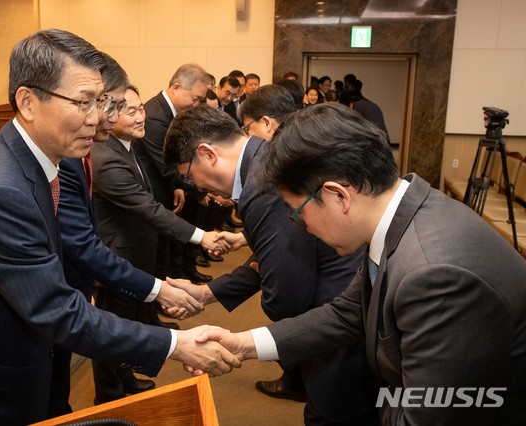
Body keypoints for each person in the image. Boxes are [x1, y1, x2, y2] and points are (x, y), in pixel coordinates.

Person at [0, 29, 239, 426]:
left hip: (20, 366)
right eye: (83, 102)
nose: (97, 118)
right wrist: (175, 343)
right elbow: (56, 309)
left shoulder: (35, 163)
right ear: (28, 101)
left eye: (99, 102)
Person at [194, 103, 526, 426]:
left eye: (297, 211)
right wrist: (245, 344)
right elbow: (346, 313)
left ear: (339, 196)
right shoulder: (401, 215)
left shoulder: (436, 277)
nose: (300, 225)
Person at [163, 103, 379, 425]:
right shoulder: (264, 158)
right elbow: (274, 259)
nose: (196, 189)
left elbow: (286, 296)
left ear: (207, 154)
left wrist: (244, 339)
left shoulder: (261, 185)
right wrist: (206, 293)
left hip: (334, 328)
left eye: (188, 177)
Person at [54, 53, 208, 415]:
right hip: (105, 263)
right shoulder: (90, 158)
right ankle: (110, 394)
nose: (101, 116)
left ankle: (122, 386)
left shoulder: (105, 151)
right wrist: (164, 299)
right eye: (112, 106)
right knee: (109, 333)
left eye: (113, 106)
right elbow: (84, 242)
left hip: (115, 262)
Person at [90, 84, 228, 403]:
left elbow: (149, 191)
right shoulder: (105, 156)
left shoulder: (129, 146)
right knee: (111, 329)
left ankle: (124, 377)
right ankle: (108, 396)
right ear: (109, 114)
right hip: (115, 257)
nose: (142, 117)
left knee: (126, 324)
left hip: (137, 250)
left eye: (141, 109)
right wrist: (202, 236)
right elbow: (147, 207)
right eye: (132, 111)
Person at [133, 63, 212, 283]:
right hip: (154, 191)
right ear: (176, 87)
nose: (195, 104)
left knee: (167, 246)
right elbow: (165, 165)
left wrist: (180, 186)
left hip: (168, 188)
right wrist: (200, 190)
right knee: (158, 250)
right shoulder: (156, 116)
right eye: (195, 98)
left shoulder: (169, 111)